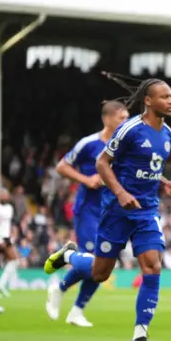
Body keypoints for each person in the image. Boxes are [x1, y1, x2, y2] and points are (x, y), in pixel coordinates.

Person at [44, 75, 171, 341]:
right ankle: (68, 256)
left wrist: (164, 182)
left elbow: (147, 168)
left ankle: (140, 335)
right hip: (116, 209)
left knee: (153, 265)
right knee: (100, 273)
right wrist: (120, 193)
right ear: (148, 101)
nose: (170, 102)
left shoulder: (169, 135)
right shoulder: (130, 129)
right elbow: (102, 162)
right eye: (164, 97)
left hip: (146, 209)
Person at [45, 101, 128, 327]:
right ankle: (65, 264)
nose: (125, 122)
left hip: (112, 211)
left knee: (103, 264)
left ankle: (73, 306)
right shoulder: (89, 144)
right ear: (107, 119)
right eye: (122, 118)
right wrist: (86, 179)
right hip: (89, 210)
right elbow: (62, 167)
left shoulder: (125, 145)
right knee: (96, 260)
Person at [0, 188, 19, 299]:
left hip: (6, 238)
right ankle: (0, 285)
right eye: (3, 195)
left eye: (6, 195)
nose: (5, 197)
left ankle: (1, 284)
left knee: (14, 261)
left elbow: (10, 221)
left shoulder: (9, 208)